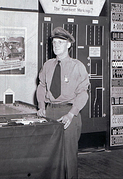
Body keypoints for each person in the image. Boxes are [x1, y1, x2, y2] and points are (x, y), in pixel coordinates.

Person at [36, 27, 89, 179]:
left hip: (69, 113)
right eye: (54, 42)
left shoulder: (77, 66)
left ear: (69, 45)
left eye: (60, 42)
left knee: (68, 157)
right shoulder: (48, 65)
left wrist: (71, 114)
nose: (56, 45)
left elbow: (83, 93)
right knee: (50, 154)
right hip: (50, 112)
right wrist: (41, 106)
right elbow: (41, 86)